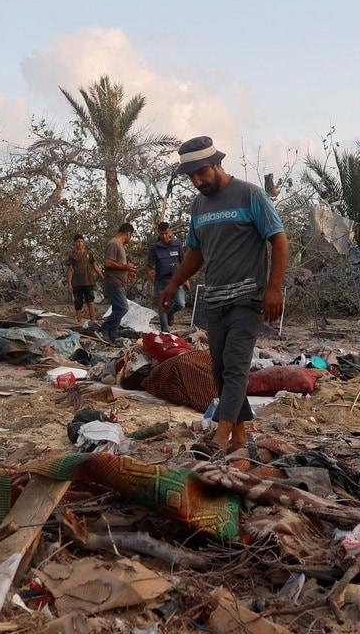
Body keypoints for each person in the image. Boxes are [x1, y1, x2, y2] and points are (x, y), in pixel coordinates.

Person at [159, 136, 288, 454]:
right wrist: (174, 284)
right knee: (219, 370)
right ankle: (241, 438)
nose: (198, 181)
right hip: (214, 300)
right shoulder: (198, 206)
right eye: (191, 176)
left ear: (217, 164)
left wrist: (273, 288)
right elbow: (195, 252)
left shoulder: (250, 195)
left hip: (247, 298)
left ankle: (220, 437)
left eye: (202, 172)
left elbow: (279, 239)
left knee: (235, 367)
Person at [146, 221, 187, 334]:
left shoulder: (177, 244)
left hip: (176, 280)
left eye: (166, 233)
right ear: (159, 234)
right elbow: (148, 266)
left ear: (170, 232)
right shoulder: (155, 248)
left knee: (180, 303)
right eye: (161, 234)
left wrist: (186, 279)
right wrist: (150, 273)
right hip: (161, 281)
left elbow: (183, 263)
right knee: (163, 306)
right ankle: (165, 333)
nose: (164, 236)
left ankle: (171, 312)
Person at [99, 223, 136, 341]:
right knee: (123, 308)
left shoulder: (119, 245)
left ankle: (113, 335)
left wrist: (127, 272)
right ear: (128, 233)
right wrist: (125, 267)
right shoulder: (114, 244)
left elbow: (118, 265)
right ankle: (105, 327)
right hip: (114, 282)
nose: (130, 238)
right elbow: (108, 263)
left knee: (117, 309)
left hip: (119, 282)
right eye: (131, 235)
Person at [64, 233, 103, 325]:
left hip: (88, 282)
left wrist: (102, 276)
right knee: (78, 303)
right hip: (76, 283)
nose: (80, 243)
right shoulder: (72, 256)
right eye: (78, 241)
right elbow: (70, 270)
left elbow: (95, 266)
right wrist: (69, 284)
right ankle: (79, 321)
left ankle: (93, 321)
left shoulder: (89, 254)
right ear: (74, 243)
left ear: (84, 243)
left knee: (90, 301)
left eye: (81, 241)